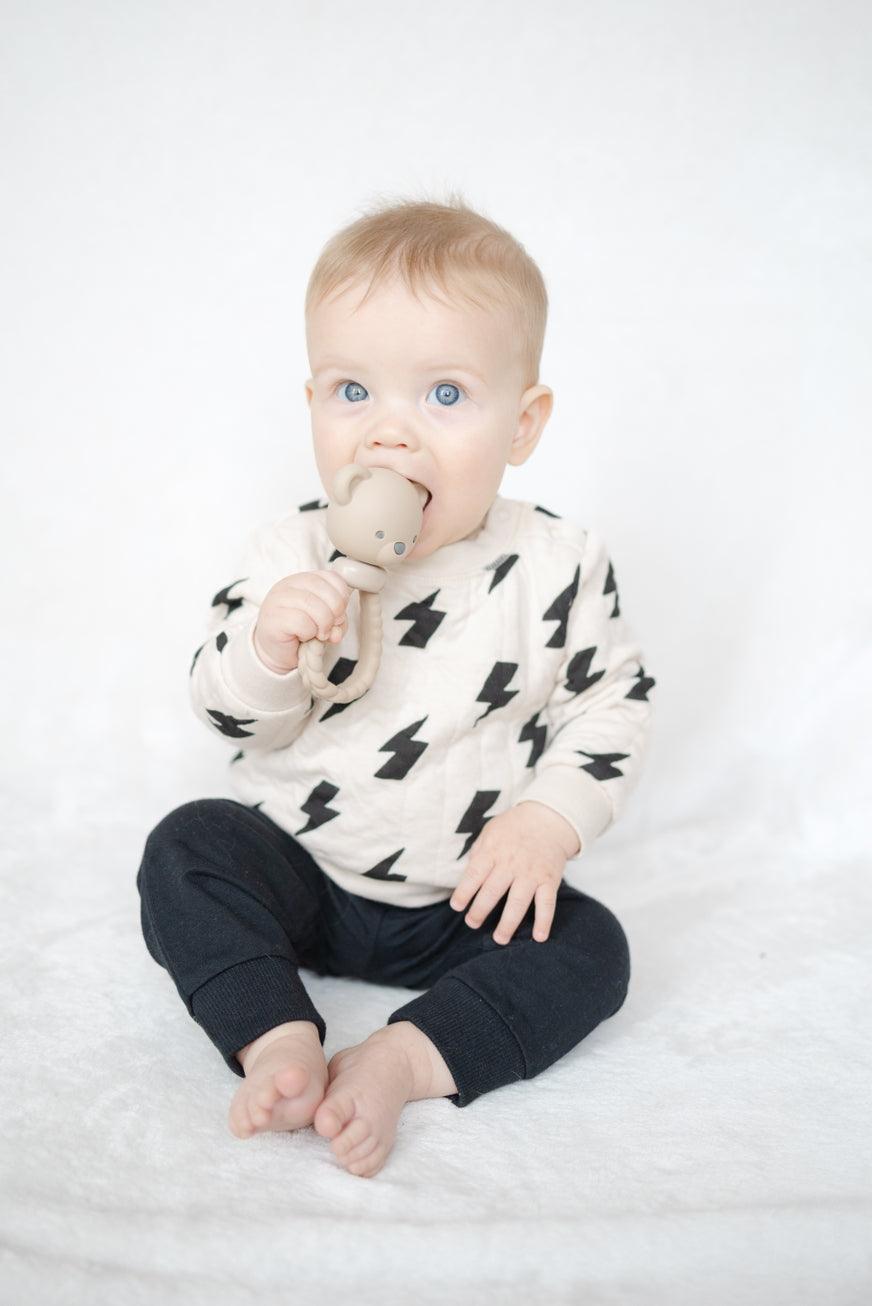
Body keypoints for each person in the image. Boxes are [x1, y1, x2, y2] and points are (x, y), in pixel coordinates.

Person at [136, 194, 657, 1178]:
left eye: (444, 396)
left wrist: (546, 820)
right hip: (305, 868)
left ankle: (401, 1057)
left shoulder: (558, 564)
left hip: (462, 896)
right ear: (311, 407)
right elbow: (220, 703)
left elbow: (609, 703)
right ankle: (274, 1032)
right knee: (186, 848)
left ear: (522, 423)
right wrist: (268, 648)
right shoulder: (290, 550)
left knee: (596, 950)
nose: (387, 436)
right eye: (351, 392)